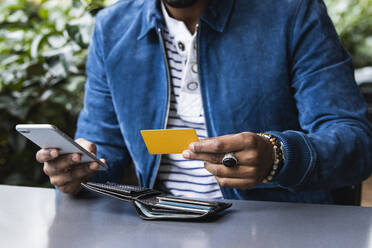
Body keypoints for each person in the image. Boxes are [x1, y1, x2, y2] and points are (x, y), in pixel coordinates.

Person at [36, 0, 372, 203]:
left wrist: (278, 154)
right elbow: (102, 151)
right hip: (159, 224)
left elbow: (355, 142)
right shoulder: (113, 29)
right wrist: (75, 170)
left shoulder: (293, 13)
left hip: (276, 227)